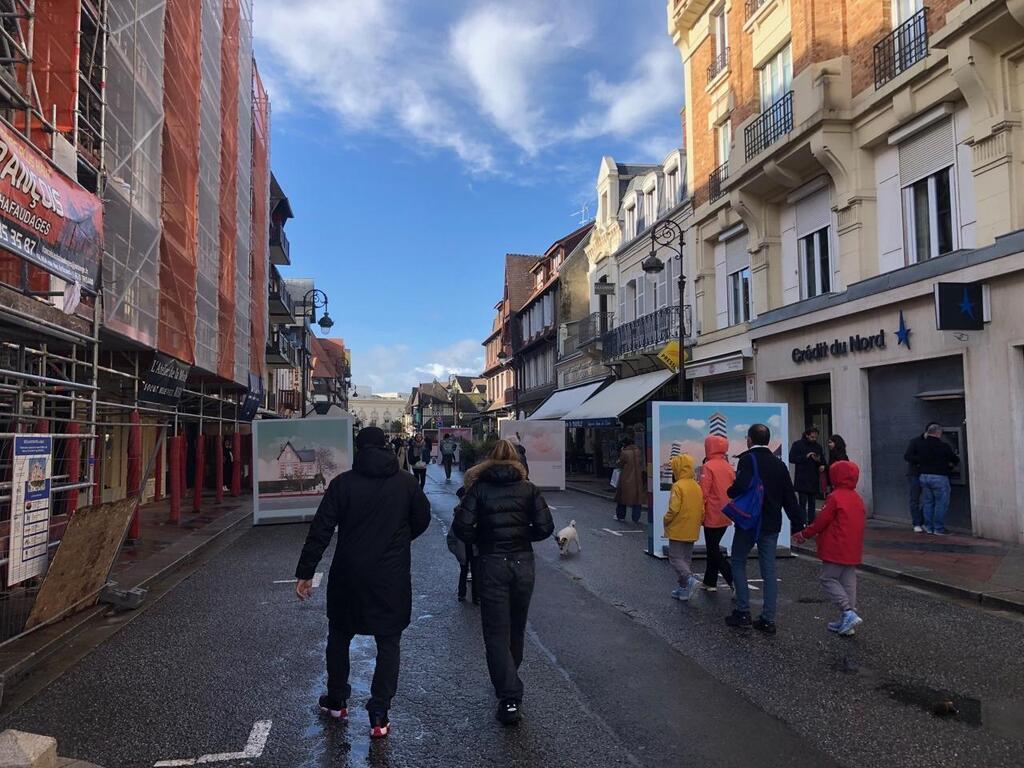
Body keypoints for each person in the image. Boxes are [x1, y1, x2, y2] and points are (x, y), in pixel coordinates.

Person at [294, 427, 431, 739]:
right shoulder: (406, 483)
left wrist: (305, 572)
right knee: (388, 641)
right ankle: (379, 712)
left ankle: (337, 700)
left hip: (349, 573)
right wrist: (399, 539)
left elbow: (321, 530)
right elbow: (421, 519)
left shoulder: (344, 484)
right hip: (390, 576)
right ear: (385, 446)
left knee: (340, 636)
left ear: (358, 449)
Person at [453, 439, 554, 726]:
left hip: (492, 561)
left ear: (489, 459)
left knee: (496, 630)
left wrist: (483, 540)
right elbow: (546, 527)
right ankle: (509, 677)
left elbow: (461, 526)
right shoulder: (528, 488)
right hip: (523, 562)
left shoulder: (479, 489)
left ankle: (509, 695)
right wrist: (523, 538)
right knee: (516, 625)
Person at [725, 424, 804, 634]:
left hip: (750, 522)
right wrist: (797, 525)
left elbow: (740, 487)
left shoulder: (747, 459)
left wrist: (730, 490)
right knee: (768, 570)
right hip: (772, 523)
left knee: (738, 561)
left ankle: (743, 612)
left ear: (750, 439)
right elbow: (789, 496)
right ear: (767, 440)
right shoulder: (779, 465)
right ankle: (768, 619)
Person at [792, 460, 866, 636]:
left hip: (836, 545)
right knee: (848, 580)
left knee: (828, 578)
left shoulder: (835, 497)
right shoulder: (857, 498)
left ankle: (847, 612)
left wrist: (804, 534)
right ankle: (848, 619)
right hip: (853, 545)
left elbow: (821, 521)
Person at [663, 454, 703, 601]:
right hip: (693, 528)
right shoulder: (696, 485)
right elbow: (702, 509)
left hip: (679, 528)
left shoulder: (678, 486)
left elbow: (674, 509)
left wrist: (666, 520)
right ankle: (683, 589)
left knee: (675, 558)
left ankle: (689, 580)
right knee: (686, 559)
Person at [908, 423, 960, 535]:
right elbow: (955, 459)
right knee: (941, 503)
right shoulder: (944, 446)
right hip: (939, 477)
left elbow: (911, 457)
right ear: (938, 433)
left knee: (927, 502)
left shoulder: (920, 445)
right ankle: (938, 528)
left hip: (924, 476)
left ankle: (928, 527)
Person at [699, 434, 735, 592]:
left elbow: (703, 492)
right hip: (727, 511)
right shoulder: (728, 466)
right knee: (712, 547)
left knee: (712, 549)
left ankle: (732, 579)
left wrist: (700, 512)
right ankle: (710, 581)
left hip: (712, 512)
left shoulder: (708, 466)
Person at [788, 426, 824, 524]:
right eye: (812, 437)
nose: (814, 439)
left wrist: (820, 463)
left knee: (812, 502)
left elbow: (822, 461)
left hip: (813, 478)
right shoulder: (797, 445)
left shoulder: (818, 447)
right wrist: (805, 457)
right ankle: (802, 522)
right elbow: (791, 458)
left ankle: (812, 522)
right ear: (807, 435)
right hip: (802, 478)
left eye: (816, 437)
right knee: (802, 502)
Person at [446, 513, 478, 604]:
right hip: (466, 550)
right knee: (465, 572)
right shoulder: (458, 520)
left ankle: (474, 596)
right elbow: (450, 538)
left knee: (474, 572)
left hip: (472, 549)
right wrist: (457, 551)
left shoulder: (459, 518)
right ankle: (464, 594)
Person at [902, 427, 929, 533]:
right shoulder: (915, 442)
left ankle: (922, 521)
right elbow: (907, 456)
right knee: (915, 499)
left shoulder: (932, 442)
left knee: (928, 500)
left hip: (926, 473)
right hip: (915, 474)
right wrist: (920, 460)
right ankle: (917, 523)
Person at [614, 436, 645, 523]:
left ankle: (621, 516)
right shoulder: (638, 451)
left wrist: (620, 453)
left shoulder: (624, 453)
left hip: (626, 478)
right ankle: (636, 518)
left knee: (622, 498)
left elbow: (619, 464)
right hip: (637, 478)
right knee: (637, 499)